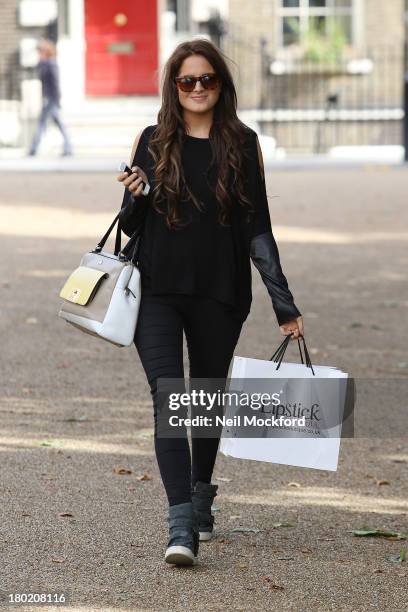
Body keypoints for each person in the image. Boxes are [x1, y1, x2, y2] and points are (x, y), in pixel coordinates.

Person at [116, 38, 304, 567]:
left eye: (207, 80)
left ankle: (201, 494)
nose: (197, 89)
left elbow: (258, 228)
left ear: (221, 85)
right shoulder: (152, 139)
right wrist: (137, 195)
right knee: (169, 397)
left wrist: (283, 305)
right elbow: (130, 225)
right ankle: (181, 525)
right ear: (173, 88)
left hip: (221, 293)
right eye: (187, 81)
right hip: (155, 287)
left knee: (204, 398)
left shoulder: (243, 144)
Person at [28, 39, 73, 157]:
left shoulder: (51, 64)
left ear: (46, 52)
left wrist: (57, 100)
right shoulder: (45, 64)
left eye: (40, 52)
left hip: (51, 99)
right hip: (48, 99)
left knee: (42, 123)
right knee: (58, 124)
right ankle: (68, 147)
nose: (38, 55)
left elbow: (55, 83)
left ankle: (33, 148)